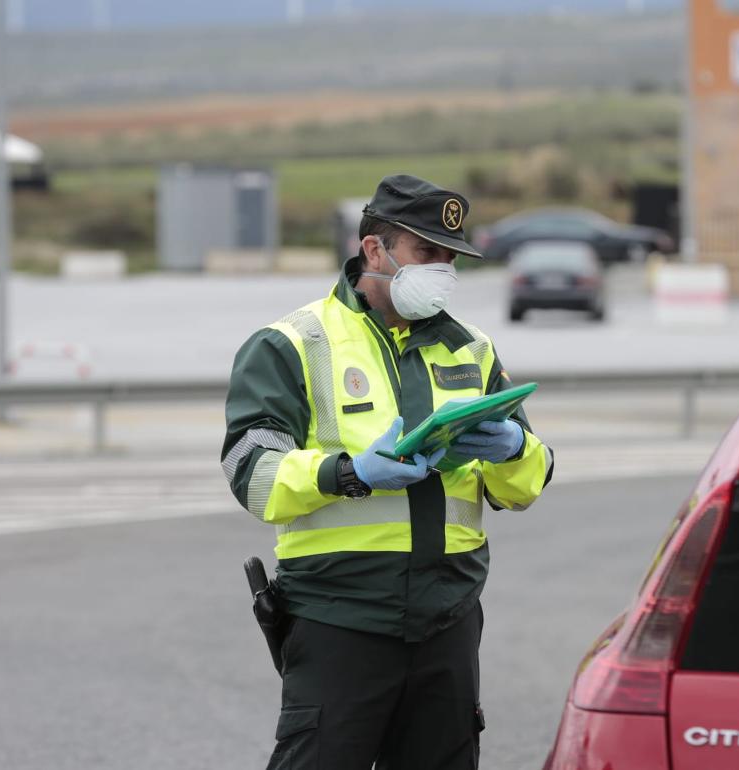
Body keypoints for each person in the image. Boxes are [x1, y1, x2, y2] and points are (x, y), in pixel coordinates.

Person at [221, 174, 554, 770]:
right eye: (427, 253)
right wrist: (348, 472)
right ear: (375, 249)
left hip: (447, 621)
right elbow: (252, 473)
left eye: (451, 257)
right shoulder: (293, 343)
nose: (443, 270)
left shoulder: (471, 349)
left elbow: (523, 487)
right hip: (337, 619)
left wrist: (512, 451)